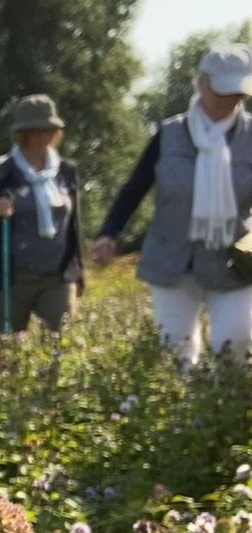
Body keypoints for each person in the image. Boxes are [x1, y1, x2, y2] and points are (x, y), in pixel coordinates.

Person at [93, 44, 252, 366]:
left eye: (239, 92)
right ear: (202, 85)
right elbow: (134, 188)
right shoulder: (169, 134)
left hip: (233, 262)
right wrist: (109, 233)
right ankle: (185, 414)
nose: (232, 99)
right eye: (224, 91)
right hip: (171, 259)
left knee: (234, 342)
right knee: (174, 351)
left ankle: (224, 411)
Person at [0, 95, 84, 334]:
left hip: (57, 275)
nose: (44, 136)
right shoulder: (0, 171)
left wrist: (79, 272)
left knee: (60, 346)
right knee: (6, 354)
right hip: (10, 279)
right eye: (37, 130)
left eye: (49, 130)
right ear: (23, 133)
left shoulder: (66, 171)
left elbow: (74, 225)